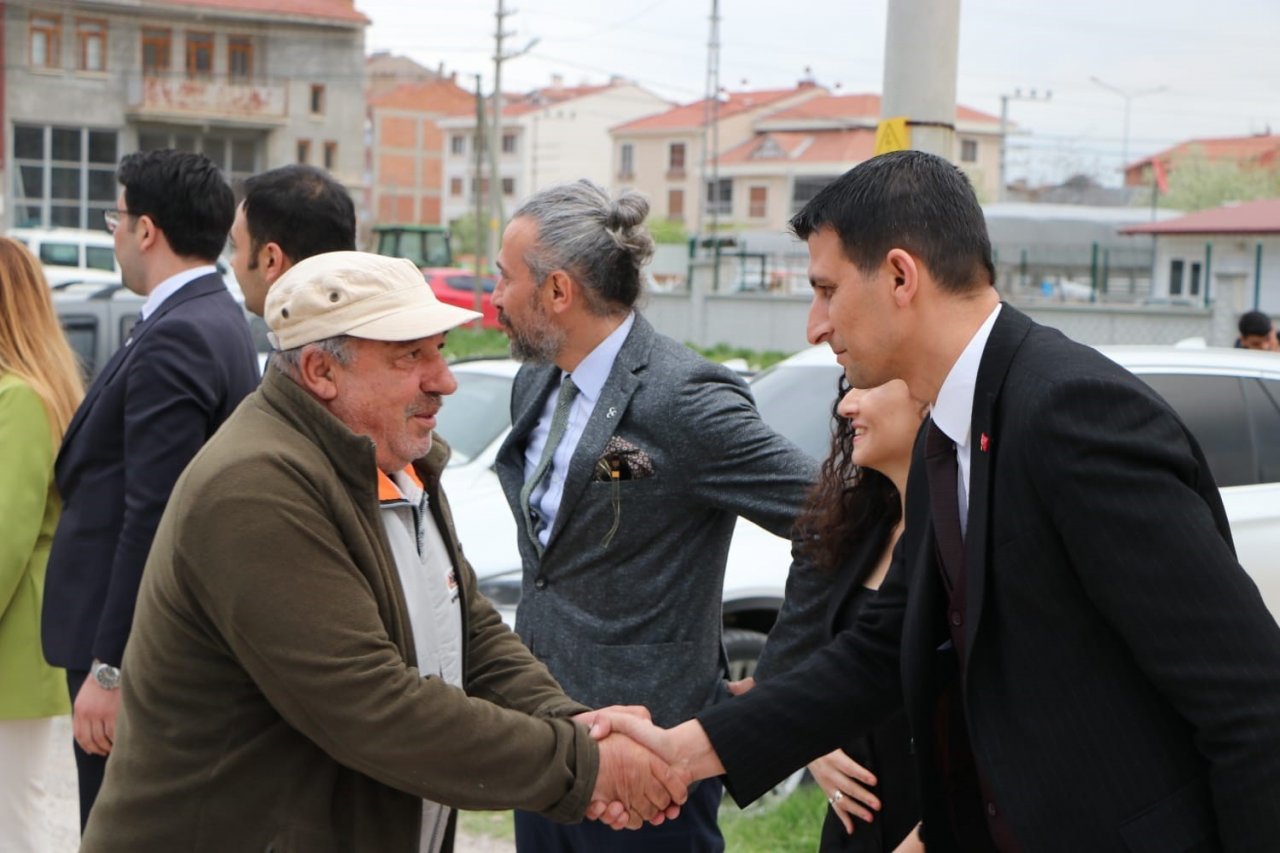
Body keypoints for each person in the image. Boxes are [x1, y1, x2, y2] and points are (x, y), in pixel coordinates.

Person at [601, 150, 1280, 851]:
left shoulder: (1073, 412)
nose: (815, 324)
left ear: (900, 275)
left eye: (827, 290)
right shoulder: (949, 434)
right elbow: (884, 646)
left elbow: (1248, 699)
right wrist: (686, 750)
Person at [79, 251, 687, 852]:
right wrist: (586, 765)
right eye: (410, 357)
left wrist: (573, 722)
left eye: (440, 350)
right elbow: (371, 707)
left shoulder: (394, 460)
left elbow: (468, 634)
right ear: (320, 371)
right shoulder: (254, 488)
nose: (443, 379)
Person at [490, 179, 818, 852]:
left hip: (650, 764)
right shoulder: (535, 380)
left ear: (558, 292)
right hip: (547, 742)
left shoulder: (683, 397)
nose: (493, 298)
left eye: (502, 278)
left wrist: (785, 678)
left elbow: (834, 520)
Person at [40, 148, 261, 829]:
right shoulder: (208, 315)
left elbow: (153, 511)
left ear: (146, 229)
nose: (114, 234)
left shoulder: (181, 332)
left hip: (133, 646)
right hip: (153, 636)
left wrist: (111, 668)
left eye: (118, 216)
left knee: (119, 827)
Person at [749, 377, 927, 853]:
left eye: (866, 387)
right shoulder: (853, 526)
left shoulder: (970, 535)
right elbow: (793, 663)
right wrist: (816, 746)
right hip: (857, 821)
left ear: (929, 399)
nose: (846, 406)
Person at [0, 238, 84, 851]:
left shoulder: (20, 400)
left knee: (12, 817)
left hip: (12, 646)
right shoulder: (27, 392)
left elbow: (5, 536)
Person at [229, 163, 358, 317]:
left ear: (271, 260)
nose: (232, 263)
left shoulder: (307, 339)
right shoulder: (379, 331)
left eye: (235, 246)